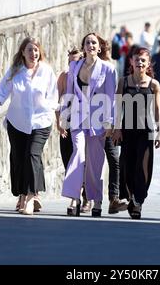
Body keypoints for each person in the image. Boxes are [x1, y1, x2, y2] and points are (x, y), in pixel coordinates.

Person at [0, 37, 58, 215]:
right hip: (17, 122)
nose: (33, 53)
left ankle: (30, 197)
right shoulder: (15, 71)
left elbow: (53, 98)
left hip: (41, 121)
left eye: (36, 50)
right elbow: (1, 94)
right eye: (29, 50)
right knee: (18, 159)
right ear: (22, 52)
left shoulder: (46, 71)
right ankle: (22, 194)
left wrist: (56, 117)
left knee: (32, 154)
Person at [56, 46, 128, 215]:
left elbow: (111, 98)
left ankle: (97, 200)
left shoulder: (108, 68)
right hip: (77, 118)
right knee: (78, 153)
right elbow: (69, 94)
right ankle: (75, 198)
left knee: (95, 161)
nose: (91, 45)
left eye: (94, 42)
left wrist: (111, 122)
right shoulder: (74, 67)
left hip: (98, 120)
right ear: (85, 47)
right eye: (88, 42)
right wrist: (61, 119)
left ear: (98, 47)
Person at [112, 47, 160, 219]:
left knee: (144, 166)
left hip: (146, 130)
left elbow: (157, 109)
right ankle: (132, 196)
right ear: (131, 62)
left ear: (148, 63)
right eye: (137, 60)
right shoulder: (123, 82)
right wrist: (116, 128)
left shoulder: (153, 84)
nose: (140, 63)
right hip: (127, 130)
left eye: (143, 60)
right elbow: (118, 108)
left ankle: (138, 201)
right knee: (127, 165)